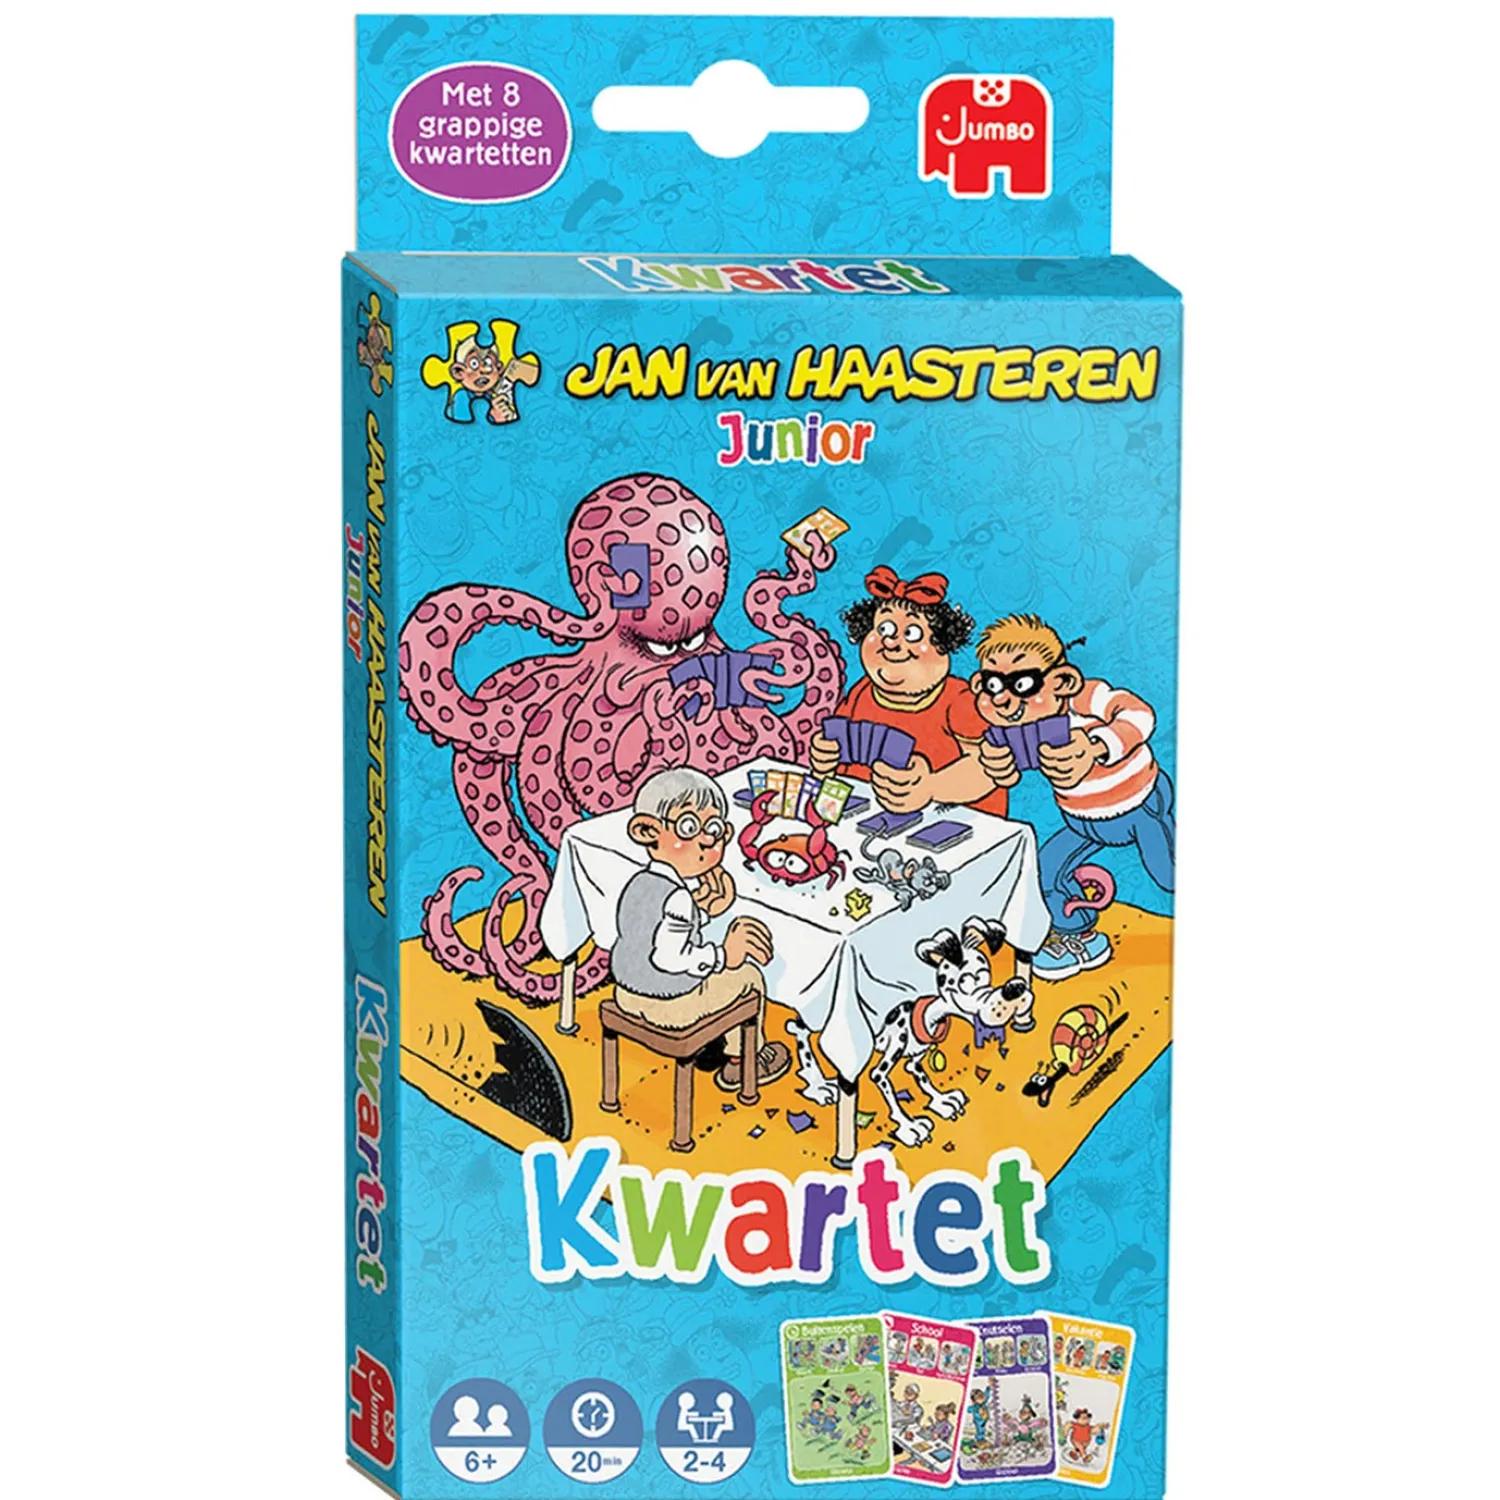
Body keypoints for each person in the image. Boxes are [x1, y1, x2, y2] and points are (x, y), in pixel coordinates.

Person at [971, 614, 1174, 980]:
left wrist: (1096, 746)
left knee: (1167, 874)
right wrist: (995, 763)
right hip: (1081, 820)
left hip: (1139, 805)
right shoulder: (1022, 727)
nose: (1004, 698)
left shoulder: (1084, 698)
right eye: (992, 684)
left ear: (1062, 680)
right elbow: (1006, 771)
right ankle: (1080, 936)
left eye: (1022, 682)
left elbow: (1140, 714)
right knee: (1046, 872)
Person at [612, 767, 792, 1089]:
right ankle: (742, 1061)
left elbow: (653, 930)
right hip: (669, 1004)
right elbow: (668, 958)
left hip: (626, 993)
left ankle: (718, 1041)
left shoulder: (639, 883)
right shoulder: (678, 897)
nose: (706, 841)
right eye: (688, 827)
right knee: (749, 978)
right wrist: (724, 955)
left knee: (722, 976)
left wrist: (705, 910)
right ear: (648, 831)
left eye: (714, 829)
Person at [808, 566, 1006, 816]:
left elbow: (988, 768)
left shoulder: (959, 700)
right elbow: (836, 752)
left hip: (947, 824)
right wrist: (824, 756)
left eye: (911, 633)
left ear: (942, 644)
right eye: (884, 629)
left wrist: (930, 787)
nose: (891, 643)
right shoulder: (861, 692)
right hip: (863, 820)